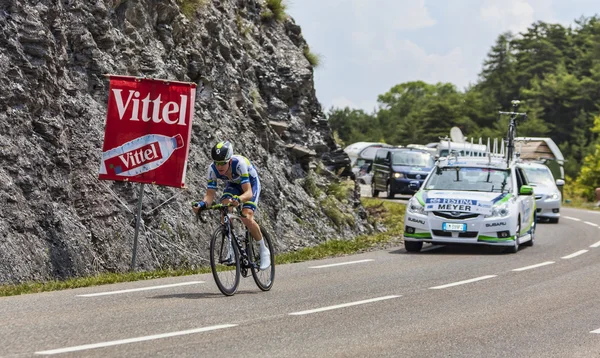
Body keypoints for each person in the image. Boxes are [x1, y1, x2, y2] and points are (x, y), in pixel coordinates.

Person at [192, 141, 270, 270]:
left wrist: (239, 199)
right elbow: (210, 195)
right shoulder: (212, 169)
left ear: (229, 160)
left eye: (223, 163)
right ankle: (231, 248)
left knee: (246, 216)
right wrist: (202, 204)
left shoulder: (239, 164)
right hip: (233, 185)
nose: (219, 166)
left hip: (250, 184)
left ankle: (263, 249)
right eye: (217, 163)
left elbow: (248, 192)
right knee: (224, 207)